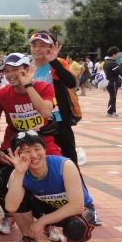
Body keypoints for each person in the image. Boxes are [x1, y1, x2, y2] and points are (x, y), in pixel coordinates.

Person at [0, 52, 60, 237]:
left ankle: (50, 221)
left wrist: (28, 85)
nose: (10, 74)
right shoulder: (0, 94)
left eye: (16, 70)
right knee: (1, 182)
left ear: (27, 70)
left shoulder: (44, 87)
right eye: (7, 71)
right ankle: (9, 216)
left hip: (43, 143)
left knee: (55, 178)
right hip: (14, 143)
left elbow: (46, 112)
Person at [4, 131, 95, 242]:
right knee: (18, 197)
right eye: (27, 151)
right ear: (17, 154)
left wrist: (43, 221)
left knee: (76, 225)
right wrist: (19, 173)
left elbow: (77, 206)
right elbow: (11, 207)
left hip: (77, 211)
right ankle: (29, 241)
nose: (34, 155)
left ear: (45, 149)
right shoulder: (18, 173)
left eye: (37, 149)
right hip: (47, 206)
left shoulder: (64, 165)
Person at [29, 31, 81, 164]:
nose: (37, 49)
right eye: (34, 45)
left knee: (67, 157)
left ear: (51, 47)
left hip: (58, 120)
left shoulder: (57, 63)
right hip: (34, 121)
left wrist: (53, 61)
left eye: (42, 45)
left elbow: (71, 83)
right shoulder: (27, 66)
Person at [103, 47, 121, 117]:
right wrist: (120, 66)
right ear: (113, 54)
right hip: (113, 82)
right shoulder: (113, 63)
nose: (117, 55)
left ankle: (113, 111)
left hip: (108, 81)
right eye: (117, 54)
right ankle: (110, 112)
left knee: (112, 96)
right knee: (113, 97)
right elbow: (118, 72)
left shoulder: (105, 62)